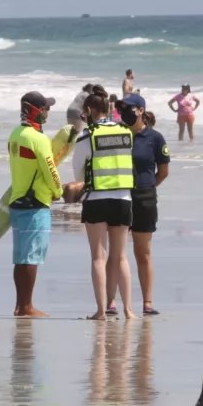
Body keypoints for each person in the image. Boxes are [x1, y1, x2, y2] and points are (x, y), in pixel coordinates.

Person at [72, 85, 137, 320]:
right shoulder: (125, 131)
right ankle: (129, 309)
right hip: (123, 198)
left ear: (88, 109)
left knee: (98, 257)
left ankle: (101, 311)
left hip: (97, 198)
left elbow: (78, 173)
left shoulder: (87, 135)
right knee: (120, 257)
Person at [105, 94, 170, 316]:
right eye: (122, 109)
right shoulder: (117, 135)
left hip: (144, 198)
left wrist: (147, 187)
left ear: (141, 110)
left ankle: (147, 302)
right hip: (119, 195)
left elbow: (163, 172)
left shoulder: (155, 138)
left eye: (130, 109)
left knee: (143, 252)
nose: (125, 113)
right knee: (116, 251)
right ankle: (111, 301)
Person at [7, 91, 63, 317]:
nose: (48, 112)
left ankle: (20, 305)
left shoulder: (15, 134)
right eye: (46, 108)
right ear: (36, 111)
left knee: (21, 258)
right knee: (31, 257)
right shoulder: (38, 139)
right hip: (36, 202)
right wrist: (58, 191)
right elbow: (50, 170)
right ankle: (26, 306)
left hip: (17, 200)